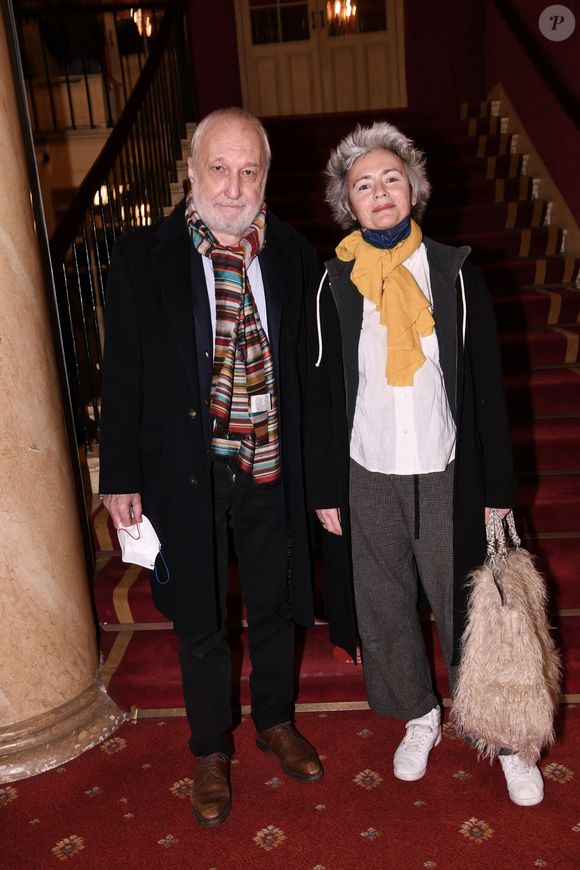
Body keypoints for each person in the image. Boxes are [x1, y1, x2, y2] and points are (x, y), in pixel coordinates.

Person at [306, 121, 544, 807]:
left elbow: (490, 390)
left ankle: (502, 735)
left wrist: (497, 489)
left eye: (390, 179)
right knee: (382, 608)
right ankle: (419, 712)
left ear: (413, 187)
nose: (378, 193)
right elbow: (322, 395)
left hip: (447, 468)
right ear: (346, 202)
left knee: (468, 606)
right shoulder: (333, 284)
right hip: (366, 471)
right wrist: (326, 487)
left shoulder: (457, 272)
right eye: (362, 185)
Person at [99, 107, 325, 828]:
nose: (233, 187)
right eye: (218, 169)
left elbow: (314, 380)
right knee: (199, 614)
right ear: (191, 172)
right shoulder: (143, 256)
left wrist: (320, 475)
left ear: (265, 177)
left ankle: (276, 722)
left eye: (248, 170)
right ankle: (209, 750)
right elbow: (123, 373)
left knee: (278, 601)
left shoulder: (294, 255)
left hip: (272, 466)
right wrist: (119, 476)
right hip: (183, 470)